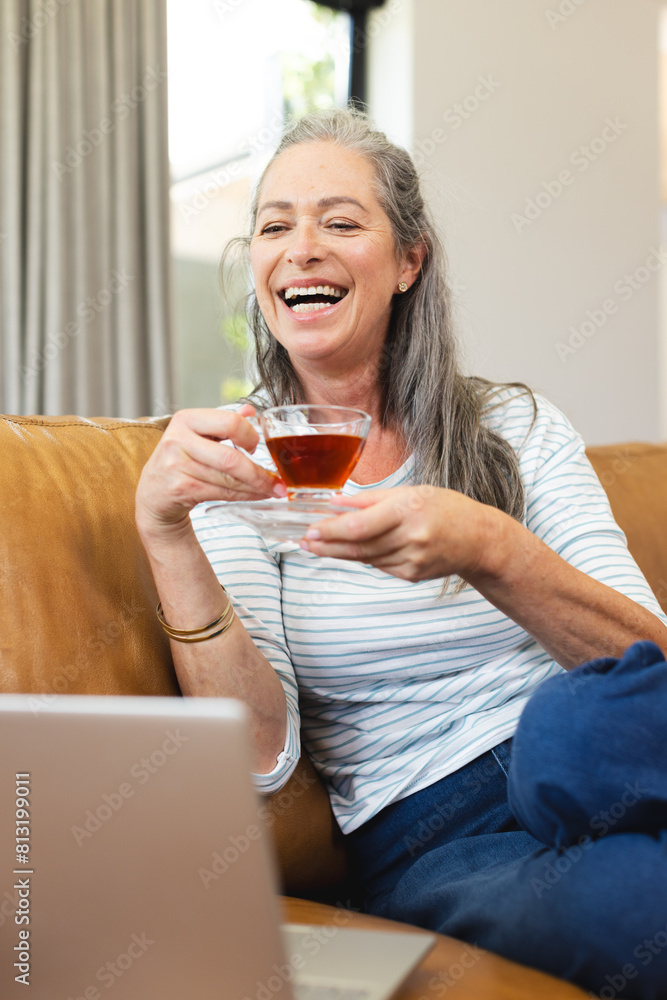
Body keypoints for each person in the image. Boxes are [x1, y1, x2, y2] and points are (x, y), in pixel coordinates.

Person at [136, 108, 667, 998]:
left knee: (573, 731)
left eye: (340, 222)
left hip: (596, 752)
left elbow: (646, 666)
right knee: (642, 898)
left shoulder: (515, 427)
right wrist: (167, 533)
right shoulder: (235, 465)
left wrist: (491, 548)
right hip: (439, 832)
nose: (302, 249)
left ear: (408, 262)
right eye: (274, 226)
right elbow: (260, 755)